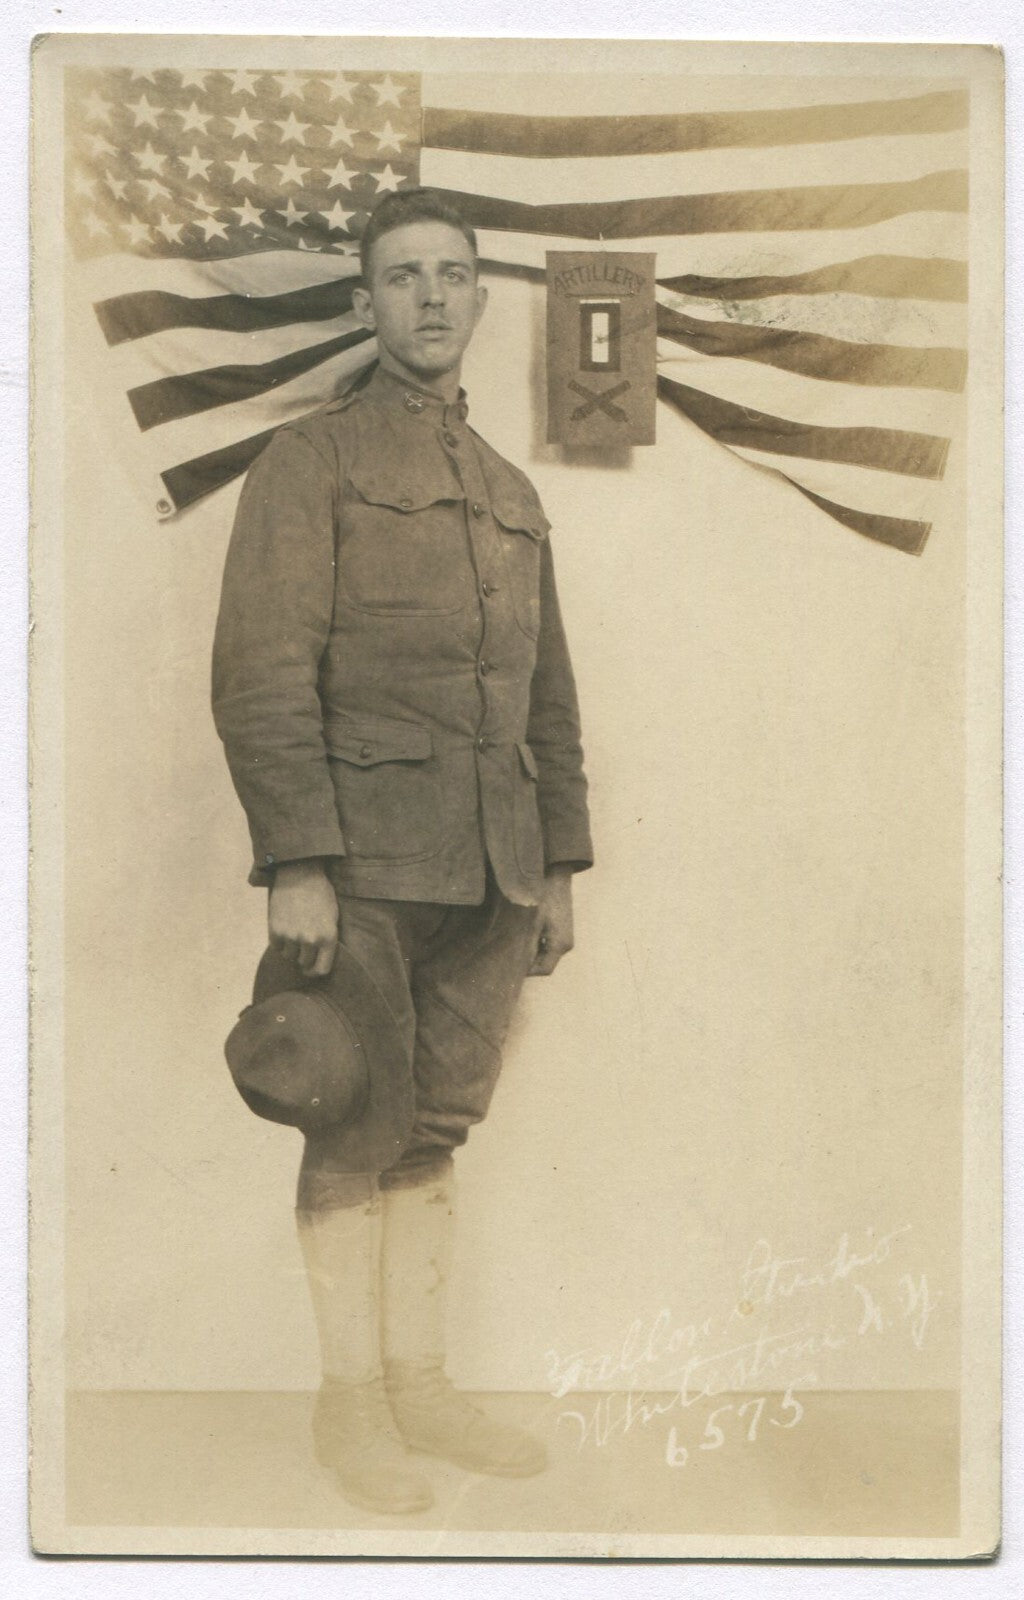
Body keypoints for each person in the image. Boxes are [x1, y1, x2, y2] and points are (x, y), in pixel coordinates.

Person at [212, 188, 593, 1516]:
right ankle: (351, 1409)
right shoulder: (306, 463)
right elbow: (262, 676)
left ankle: (421, 1389)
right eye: (404, 277)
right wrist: (297, 858)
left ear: (481, 300)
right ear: (365, 302)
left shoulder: (510, 491)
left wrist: (557, 865)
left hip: (489, 869)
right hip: (360, 868)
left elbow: (549, 694)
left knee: (434, 1132)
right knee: (350, 1124)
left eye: (454, 275)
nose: (432, 298)